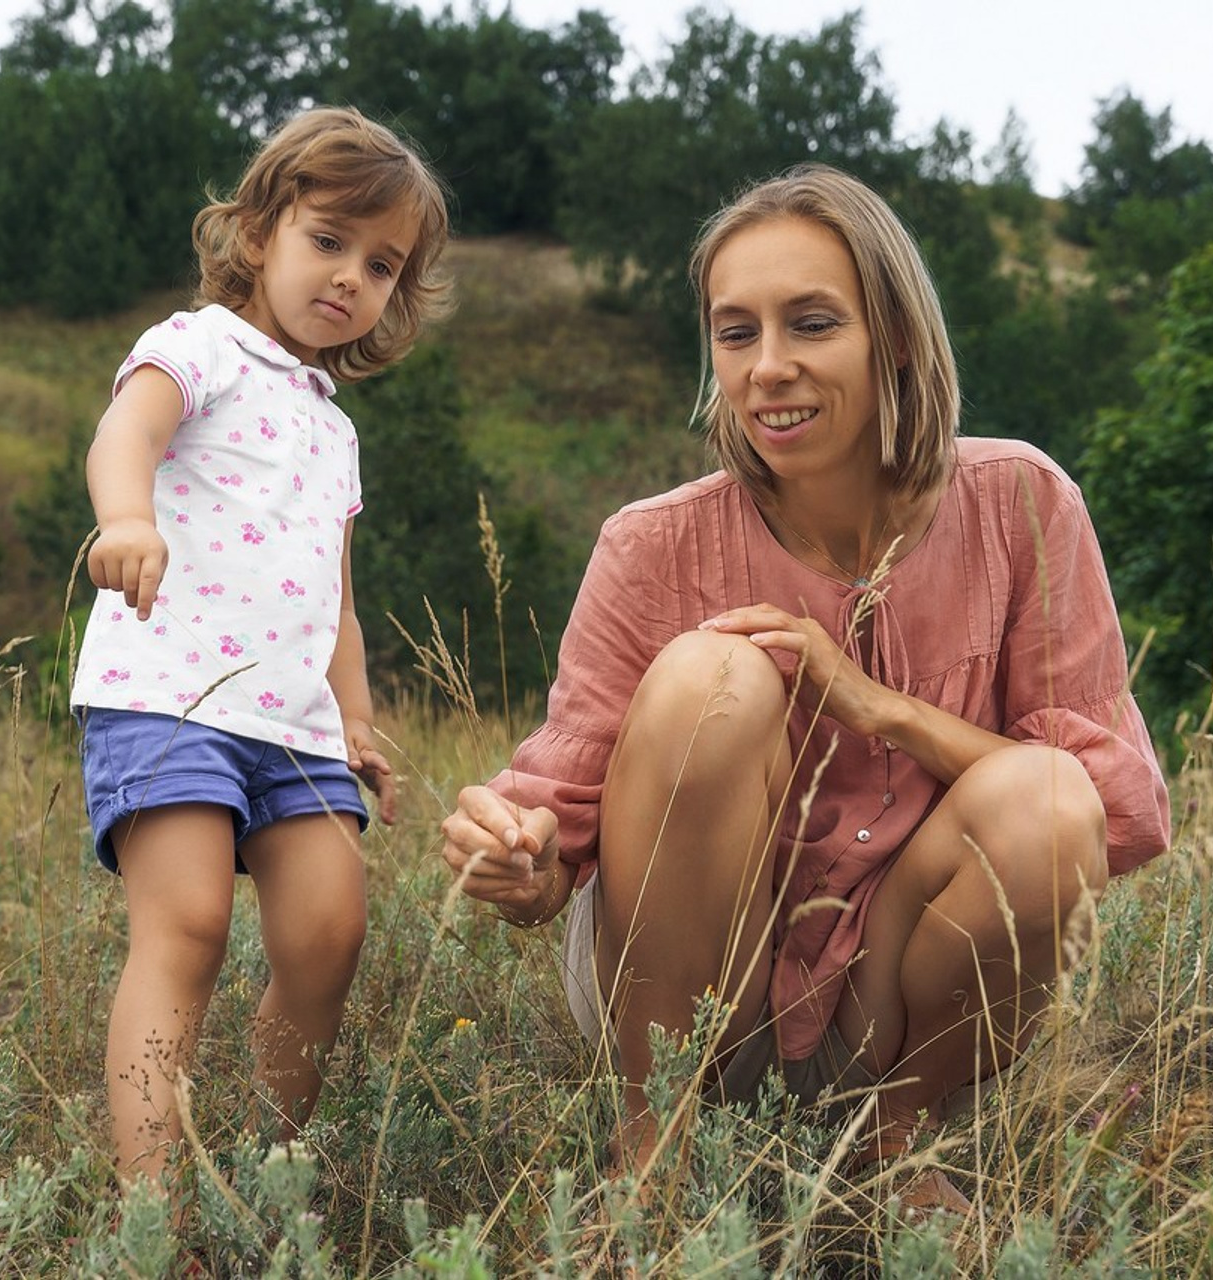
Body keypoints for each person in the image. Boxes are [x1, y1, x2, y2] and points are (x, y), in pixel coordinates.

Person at [440, 164, 1170, 1213]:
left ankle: (897, 1140)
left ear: (898, 339)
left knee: (1048, 797)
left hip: (899, 1005)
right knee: (712, 673)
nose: (768, 367)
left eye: (812, 323)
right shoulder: (652, 544)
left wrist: (879, 707)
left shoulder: (1020, 501)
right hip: (694, 998)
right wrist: (512, 854)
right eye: (735, 333)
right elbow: (555, 837)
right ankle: (655, 1148)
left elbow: (1118, 807)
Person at [71, 105, 451, 1187]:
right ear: (256, 232)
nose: (348, 278)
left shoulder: (335, 426)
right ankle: (156, 1205)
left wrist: (357, 721)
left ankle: (260, 1167)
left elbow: (333, 598)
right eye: (327, 241)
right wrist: (127, 518)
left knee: (329, 930)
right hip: (169, 690)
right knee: (185, 921)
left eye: (380, 265)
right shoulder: (199, 346)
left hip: (294, 726)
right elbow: (126, 433)